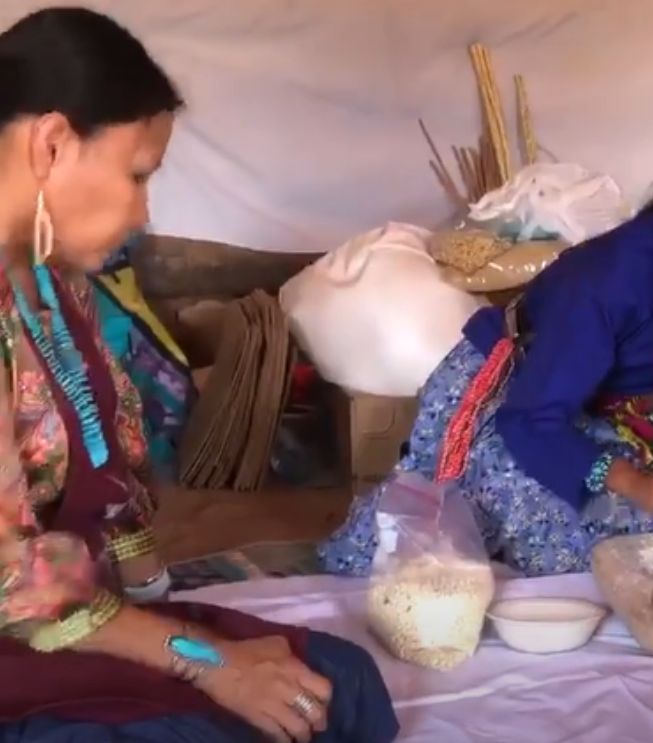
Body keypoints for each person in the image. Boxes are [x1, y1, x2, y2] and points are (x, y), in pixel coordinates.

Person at [0, 9, 397, 742]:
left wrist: (162, 603)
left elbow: (104, 470)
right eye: (137, 174)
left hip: (83, 617)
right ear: (52, 143)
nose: (145, 211)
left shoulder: (58, 281)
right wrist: (203, 659)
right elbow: (12, 582)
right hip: (20, 640)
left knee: (336, 688)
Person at [321, 126, 653, 579]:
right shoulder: (611, 277)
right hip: (509, 402)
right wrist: (633, 480)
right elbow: (531, 419)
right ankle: (448, 495)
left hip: (591, 416)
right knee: (555, 537)